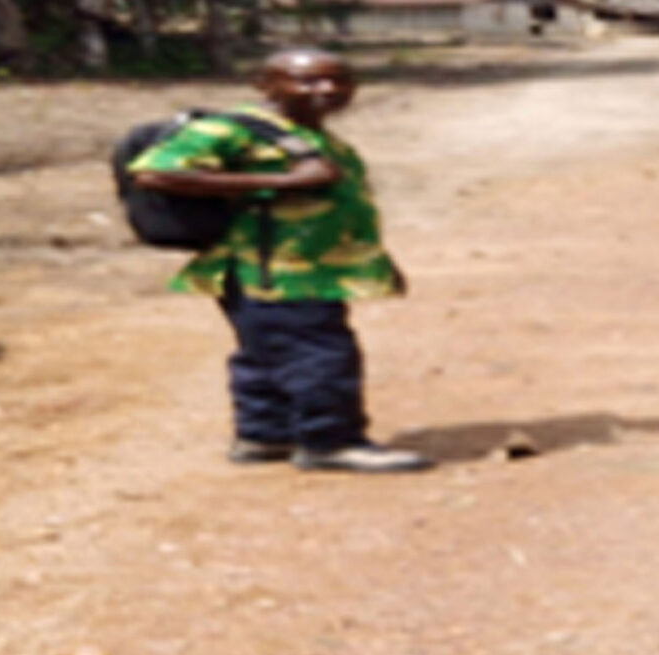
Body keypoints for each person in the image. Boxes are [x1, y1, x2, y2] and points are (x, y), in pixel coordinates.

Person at [126, 47, 432, 474]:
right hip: (270, 271)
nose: (328, 89)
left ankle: (265, 435)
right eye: (307, 80)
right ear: (265, 84)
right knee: (321, 356)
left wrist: (373, 261)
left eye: (340, 79)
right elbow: (155, 172)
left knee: (266, 353)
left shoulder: (310, 135)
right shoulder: (229, 130)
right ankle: (331, 441)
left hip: (304, 269)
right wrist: (284, 181)